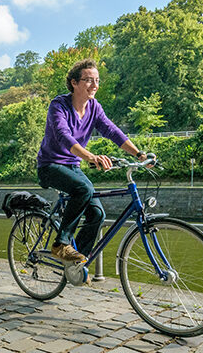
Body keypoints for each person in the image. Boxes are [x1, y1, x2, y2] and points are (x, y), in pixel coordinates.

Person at [37, 58, 152, 264]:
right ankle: (61, 244)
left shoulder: (94, 107)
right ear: (74, 82)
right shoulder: (59, 105)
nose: (95, 85)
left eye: (97, 80)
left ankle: (76, 262)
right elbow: (64, 136)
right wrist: (90, 156)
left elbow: (111, 130)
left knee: (98, 214)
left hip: (72, 166)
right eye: (89, 80)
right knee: (83, 188)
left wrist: (138, 154)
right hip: (50, 165)